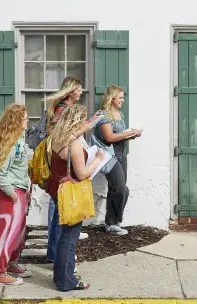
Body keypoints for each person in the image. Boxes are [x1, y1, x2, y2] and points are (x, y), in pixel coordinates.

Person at [47, 104, 106, 291]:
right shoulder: (73, 144)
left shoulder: (57, 138)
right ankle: (66, 280)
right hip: (72, 192)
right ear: (77, 121)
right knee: (69, 237)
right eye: (83, 119)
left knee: (63, 234)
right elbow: (81, 174)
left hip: (58, 188)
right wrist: (97, 159)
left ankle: (60, 274)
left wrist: (86, 126)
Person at [0, 103, 33, 286]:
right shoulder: (10, 144)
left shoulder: (18, 140)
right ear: (17, 121)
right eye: (25, 118)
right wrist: (13, 195)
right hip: (10, 194)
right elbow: (0, 174)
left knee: (16, 233)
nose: (28, 121)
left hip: (17, 191)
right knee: (6, 233)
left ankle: (9, 263)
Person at [41, 77, 90, 263]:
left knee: (57, 212)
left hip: (59, 164)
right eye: (78, 89)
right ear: (70, 91)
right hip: (61, 166)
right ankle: (56, 253)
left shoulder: (61, 109)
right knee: (58, 213)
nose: (81, 92)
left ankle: (56, 252)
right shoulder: (61, 110)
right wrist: (84, 128)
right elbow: (62, 137)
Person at [91, 85, 142, 236]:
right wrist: (129, 132)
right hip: (109, 155)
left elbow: (119, 135)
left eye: (123, 97)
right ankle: (111, 223)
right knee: (119, 187)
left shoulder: (120, 114)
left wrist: (131, 135)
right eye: (120, 97)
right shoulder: (104, 116)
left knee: (121, 189)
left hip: (121, 153)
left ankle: (113, 222)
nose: (122, 100)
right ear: (111, 98)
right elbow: (110, 138)